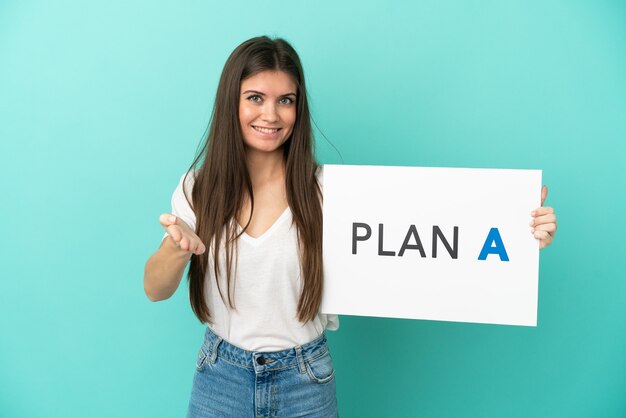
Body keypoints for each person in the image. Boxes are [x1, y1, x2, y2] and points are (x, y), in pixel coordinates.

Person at [143, 36, 558, 418]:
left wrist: (516, 232)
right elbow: (155, 289)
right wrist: (178, 249)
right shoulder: (198, 187)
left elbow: (432, 233)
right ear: (230, 101)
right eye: (255, 97)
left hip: (304, 379)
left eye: (285, 100)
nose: (270, 114)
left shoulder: (330, 191)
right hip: (221, 376)